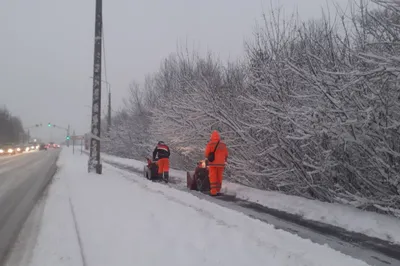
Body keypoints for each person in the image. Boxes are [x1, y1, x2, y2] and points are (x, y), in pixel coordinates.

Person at [204, 130, 228, 196]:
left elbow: (206, 154)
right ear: (218, 137)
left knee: (213, 176)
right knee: (219, 176)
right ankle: (218, 190)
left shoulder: (210, 144)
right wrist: (224, 160)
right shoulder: (223, 144)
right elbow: (226, 154)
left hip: (213, 163)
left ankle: (213, 191)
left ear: (211, 137)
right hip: (221, 164)